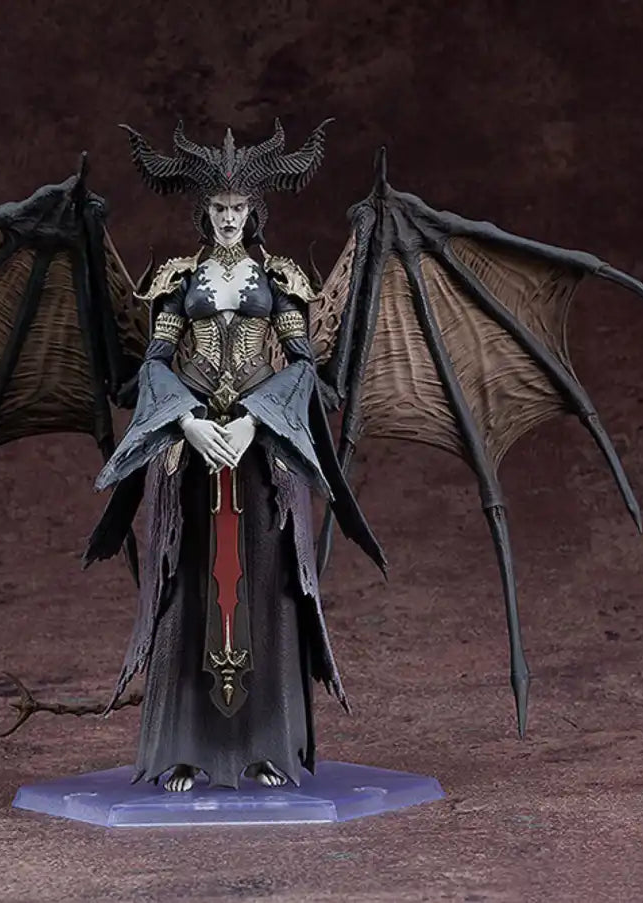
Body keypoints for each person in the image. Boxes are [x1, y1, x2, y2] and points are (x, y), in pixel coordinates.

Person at [89, 121, 385, 791]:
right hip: (191, 450)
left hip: (261, 452)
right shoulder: (178, 280)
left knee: (269, 587)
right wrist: (186, 422)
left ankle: (267, 747)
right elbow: (154, 361)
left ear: (253, 211)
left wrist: (256, 421)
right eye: (220, 208)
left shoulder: (277, 279)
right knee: (185, 583)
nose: (229, 218)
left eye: (238, 208)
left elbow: (303, 364)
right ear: (205, 211)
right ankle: (183, 749)